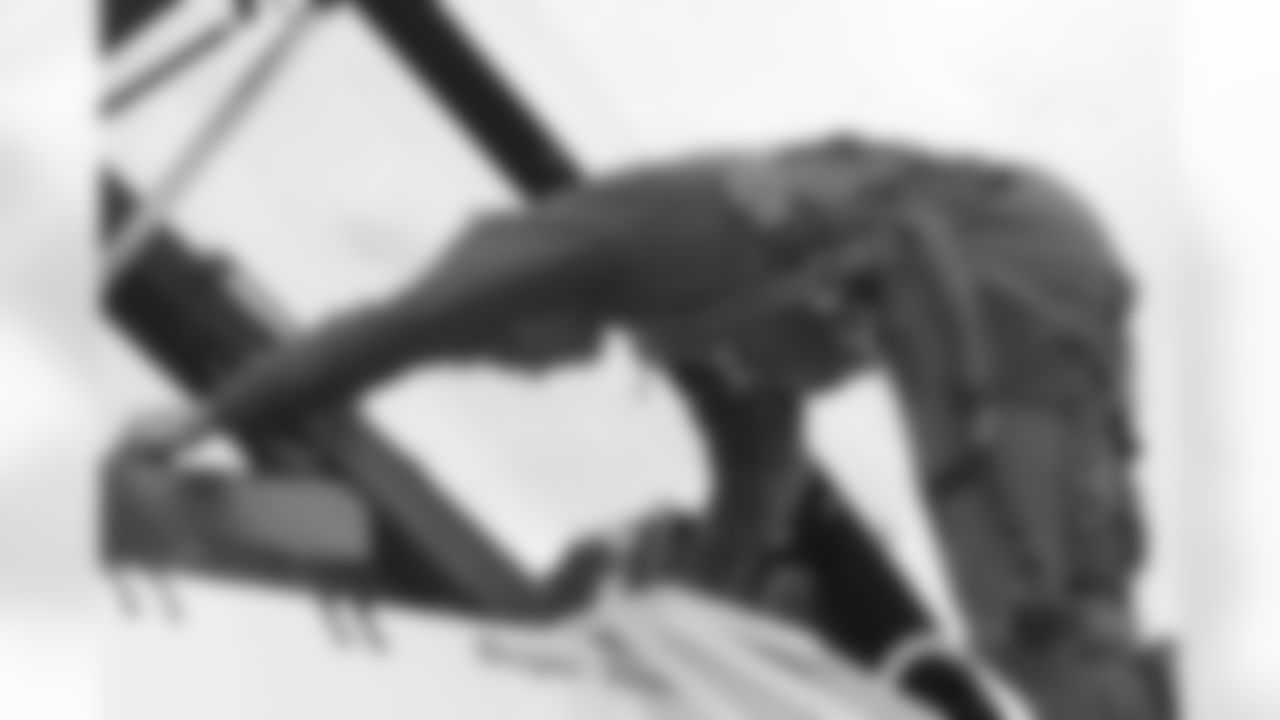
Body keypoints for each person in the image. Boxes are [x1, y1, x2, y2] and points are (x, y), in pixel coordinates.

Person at [116, 135, 1162, 720]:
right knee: (1084, 623)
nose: (519, 368)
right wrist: (671, 639)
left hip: (976, 260)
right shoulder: (693, 326)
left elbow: (391, 332)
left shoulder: (589, 240)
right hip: (1038, 255)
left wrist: (209, 418)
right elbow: (759, 479)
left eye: (502, 349)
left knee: (1028, 626)